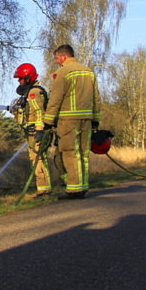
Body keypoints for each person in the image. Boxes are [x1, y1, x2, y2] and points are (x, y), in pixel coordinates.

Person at [43, 44, 100, 199]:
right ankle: (83, 186)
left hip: (68, 120)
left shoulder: (62, 72)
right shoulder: (88, 72)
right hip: (86, 119)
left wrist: (48, 120)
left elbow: (56, 98)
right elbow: (96, 97)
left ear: (63, 56)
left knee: (70, 153)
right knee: (83, 153)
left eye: (56, 58)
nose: (56, 62)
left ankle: (74, 189)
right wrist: (95, 119)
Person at [9, 63, 54, 197]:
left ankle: (44, 190)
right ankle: (43, 189)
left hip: (36, 132)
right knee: (36, 159)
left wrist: (40, 130)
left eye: (21, 78)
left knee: (38, 159)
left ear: (28, 78)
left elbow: (40, 112)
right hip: (32, 131)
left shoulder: (34, 92)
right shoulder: (30, 93)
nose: (19, 81)